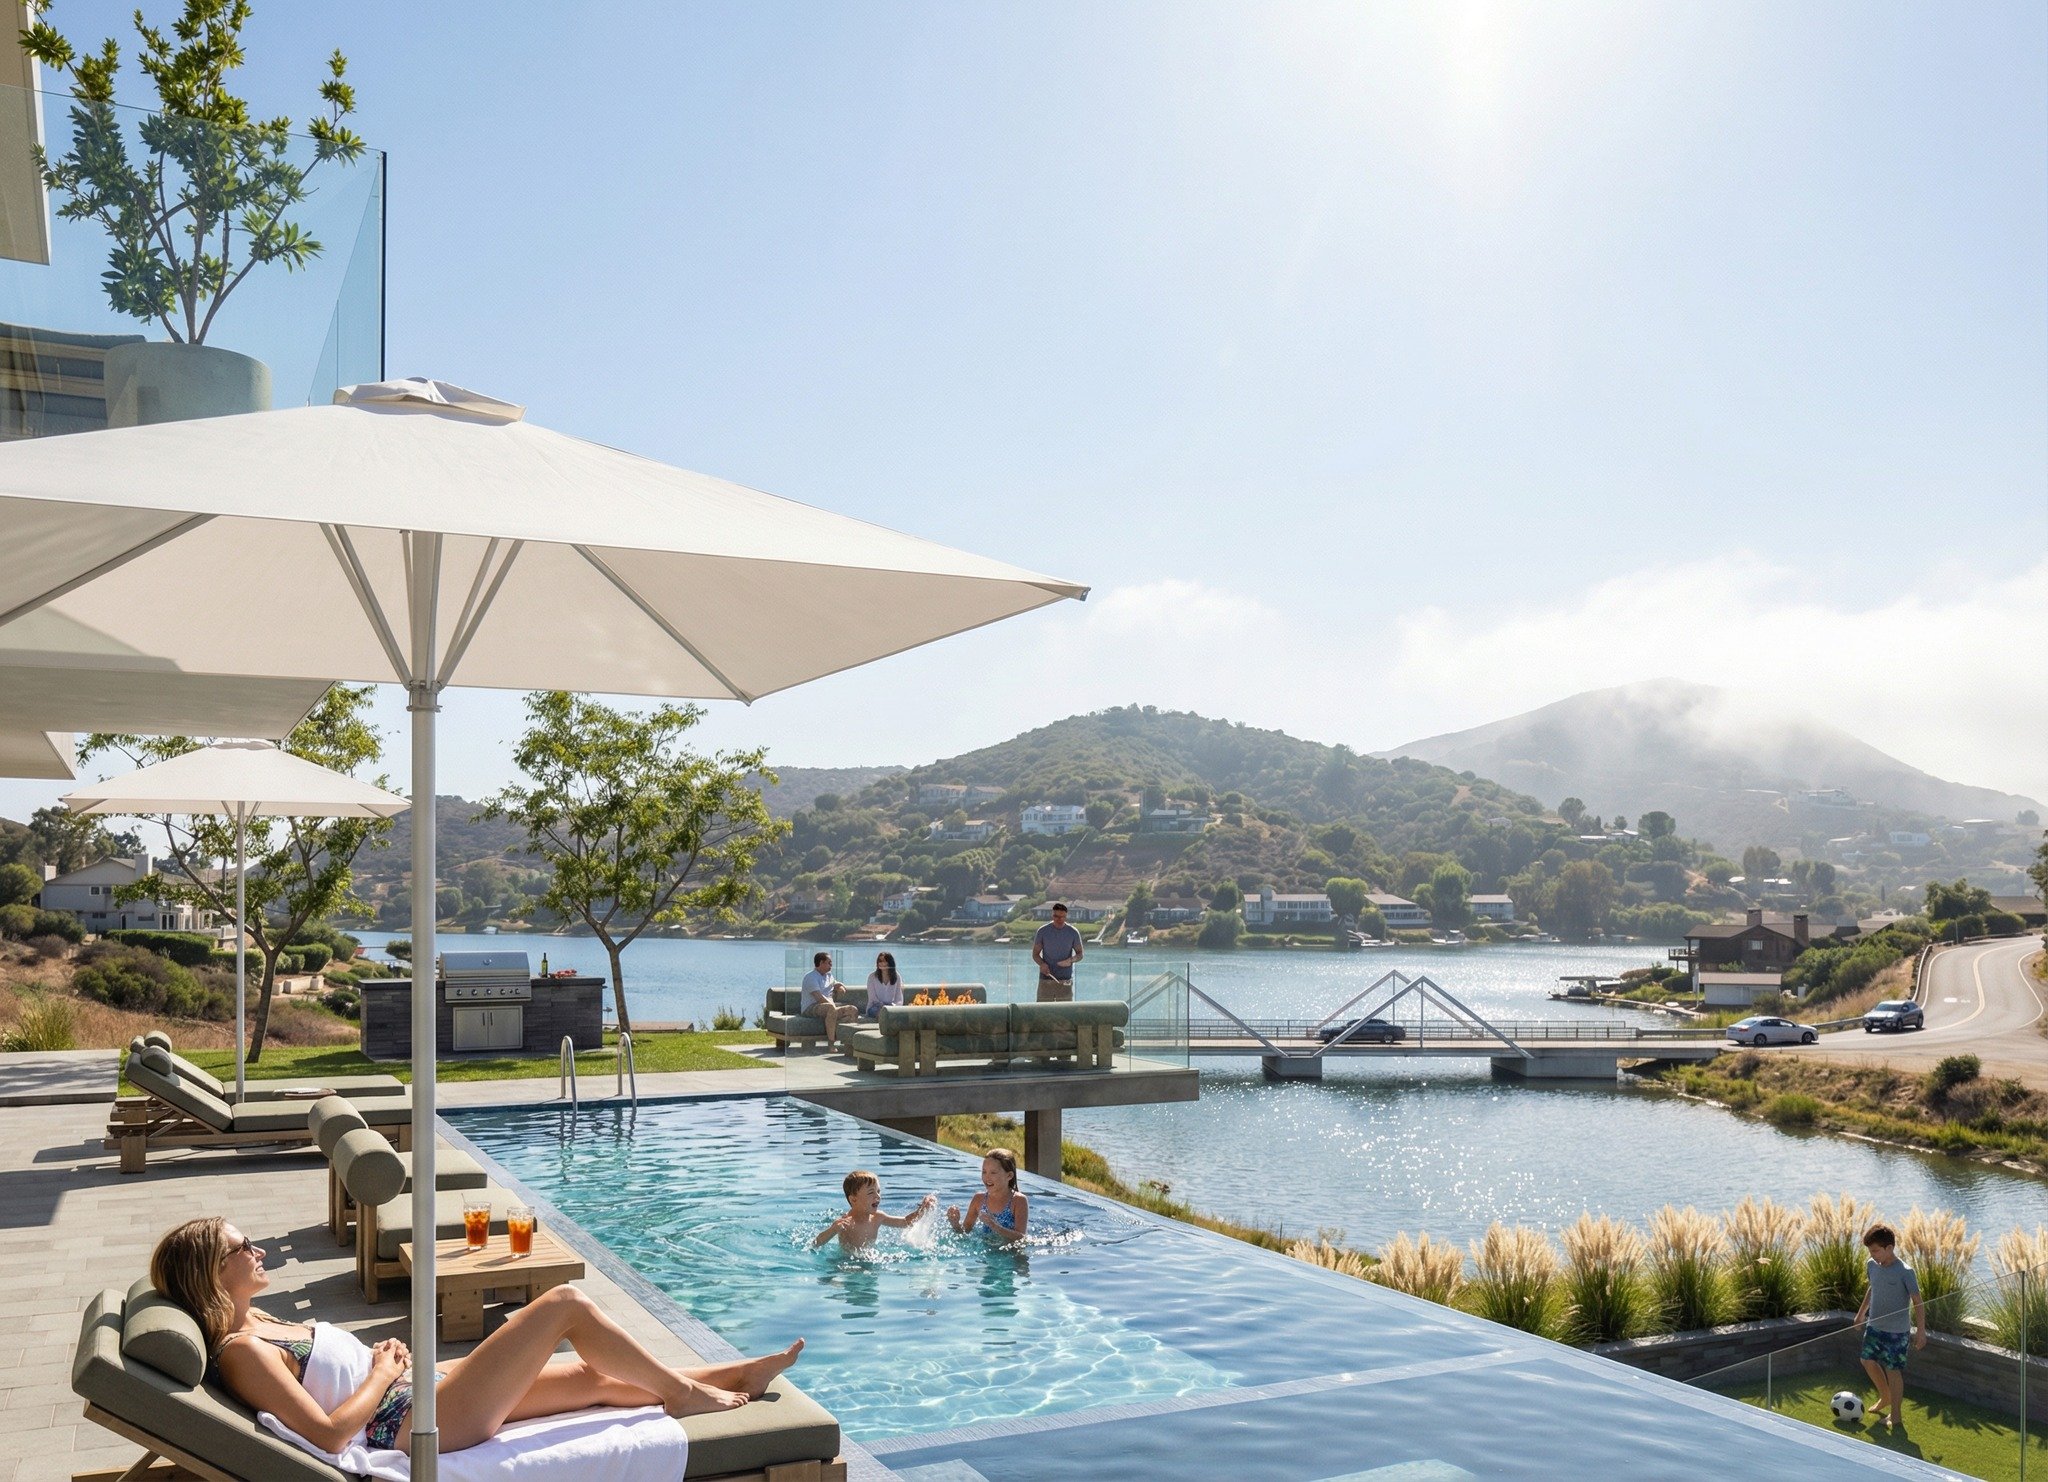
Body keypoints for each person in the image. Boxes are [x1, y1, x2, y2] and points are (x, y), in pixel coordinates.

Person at [155, 1217, 804, 1456]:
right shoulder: (242, 1352)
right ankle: (685, 1395)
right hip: (420, 1420)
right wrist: (383, 1373)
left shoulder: (260, 1322)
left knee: (591, 1378)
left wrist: (398, 1371)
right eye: (245, 1248)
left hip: (426, 1392)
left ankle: (734, 1377)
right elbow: (327, 1435)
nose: (260, 1250)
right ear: (213, 1273)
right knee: (566, 1304)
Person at [1853, 1221, 1926, 1429]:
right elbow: (1872, 1289)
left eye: (1876, 1250)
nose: (1873, 1254)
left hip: (1897, 1332)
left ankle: (1895, 1416)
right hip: (1874, 1326)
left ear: (1889, 1248)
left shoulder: (1905, 1271)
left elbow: (1918, 1302)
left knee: (1893, 1371)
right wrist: (1860, 1315)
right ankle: (1884, 1396)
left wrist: (1921, 1331)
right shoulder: (1871, 1266)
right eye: (1870, 1251)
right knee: (1866, 1360)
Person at [812, 1169, 936, 1251]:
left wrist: (922, 1209)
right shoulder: (845, 1223)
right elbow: (816, 1243)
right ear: (854, 1200)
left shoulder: (878, 1217)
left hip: (868, 1261)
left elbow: (905, 1222)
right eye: (871, 1192)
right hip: (847, 1263)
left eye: (878, 1191)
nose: (877, 1196)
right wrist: (833, 1229)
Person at [946, 1148, 1028, 1243]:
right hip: (985, 1251)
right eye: (984, 1172)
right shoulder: (979, 1199)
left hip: (1011, 1253)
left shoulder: (1018, 1201)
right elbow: (965, 1233)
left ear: (1009, 1176)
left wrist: (994, 1226)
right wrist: (955, 1224)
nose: (987, 1177)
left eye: (993, 1173)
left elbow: (1022, 1238)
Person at [798, 950, 856, 1044]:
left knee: (852, 1010)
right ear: (821, 962)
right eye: (829, 963)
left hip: (829, 1007)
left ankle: (848, 1043)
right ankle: (831, 1043)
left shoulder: (829, 976)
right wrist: (834, 1008)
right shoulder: (810, 977)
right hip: (811, 1008)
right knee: (830, 1008)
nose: (831, 966)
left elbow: (835, 983)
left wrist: (840, 987)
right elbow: (819, 998)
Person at [1031, 903, 1083, 1003]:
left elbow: (1080, 954)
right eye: (1056, 916)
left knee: (1066, 1014)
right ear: (1052, 915)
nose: (1058, 919)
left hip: (1065, 981)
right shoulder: (1042, 931)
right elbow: (1035, 954)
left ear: (1066, 916)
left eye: (1061, 917)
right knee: (1042, 1013)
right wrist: (1042, 964)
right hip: (1046, 979)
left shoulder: (1073, 932)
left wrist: (1070, 960)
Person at [864, 952, 905, 1018]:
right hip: (875, 1007)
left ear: (890, 962)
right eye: (880, 961)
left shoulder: (897, 976)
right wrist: (883, 1007)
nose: (881, 963)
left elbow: (899, 997)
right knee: (882, 1013)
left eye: (884, 961)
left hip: (891, 1007)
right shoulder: (872, 977)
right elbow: (872, 998)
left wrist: (894, 1007)